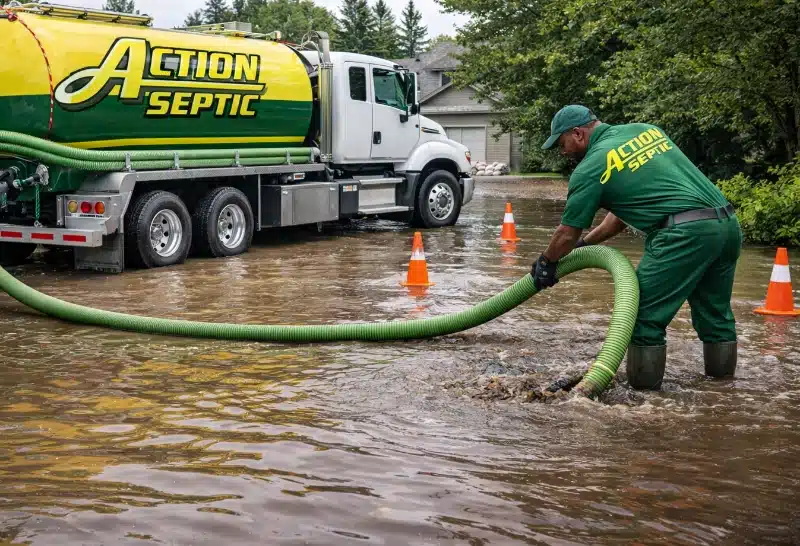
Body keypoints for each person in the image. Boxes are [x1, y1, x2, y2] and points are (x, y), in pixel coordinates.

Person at [532, 105, 742, 389]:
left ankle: (643, 405)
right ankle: (723, 393)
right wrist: (585, 246)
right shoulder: (645, 130)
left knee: (640, 318)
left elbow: (566, 233)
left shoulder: (591, 167)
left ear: (578, 134)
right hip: (726, 226)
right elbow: (615, 222)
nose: (563, 151)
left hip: (682, 235)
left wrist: (547, 262)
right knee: (715, 316)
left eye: (562, 143)